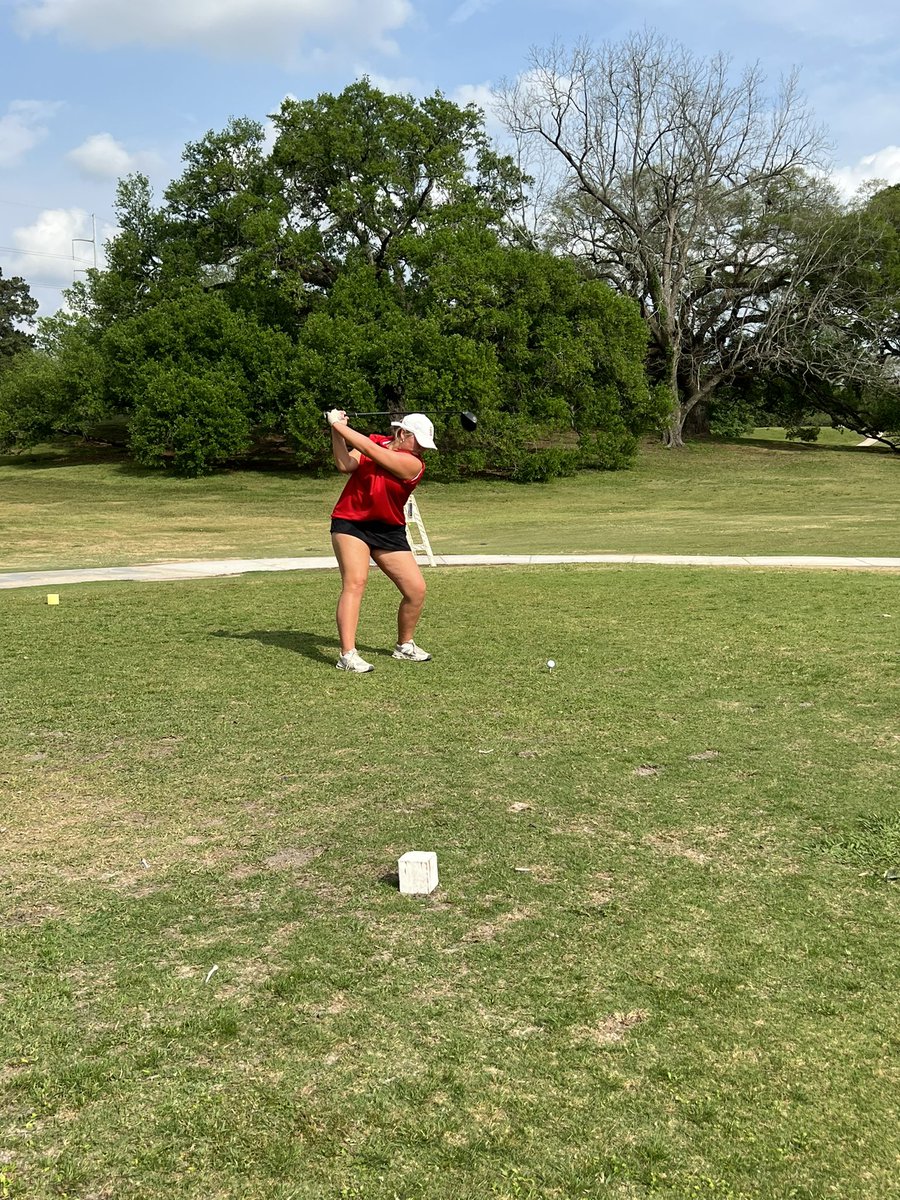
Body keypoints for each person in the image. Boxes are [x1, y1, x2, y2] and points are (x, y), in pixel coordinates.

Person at [326, 408, 437, 673]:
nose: (421, 449)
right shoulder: (375, 441)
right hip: (351, 522)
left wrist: (339, 426)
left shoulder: (414, 464)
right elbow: (345, 465)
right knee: (355, 582)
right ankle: (348, 655)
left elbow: (372, 452)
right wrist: (336, 431)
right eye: (418, 442)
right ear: (402, 433)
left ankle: (404, 645)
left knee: (415, 590)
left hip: (388, 530)